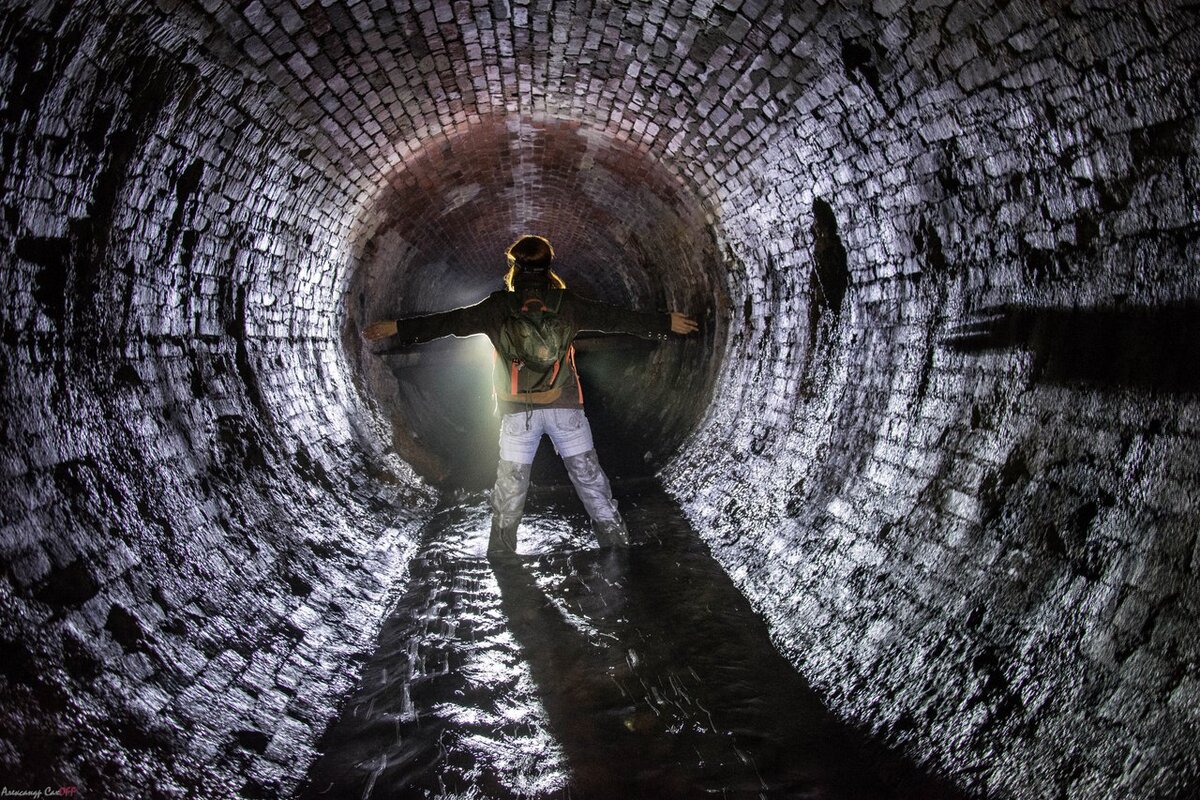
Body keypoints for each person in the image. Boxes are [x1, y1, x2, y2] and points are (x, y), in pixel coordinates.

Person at [363, 234, 699, 558]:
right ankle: (616, 544)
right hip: (565, 405)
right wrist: (665, 323)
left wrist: (397, 327)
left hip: (518, 411)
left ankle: (502, 553)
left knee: (511, 484)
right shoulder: (568, 305)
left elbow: (450, 322)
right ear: (549, 267)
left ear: (515, 269)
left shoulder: (498, 306)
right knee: (588, 476)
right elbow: (617, 319)